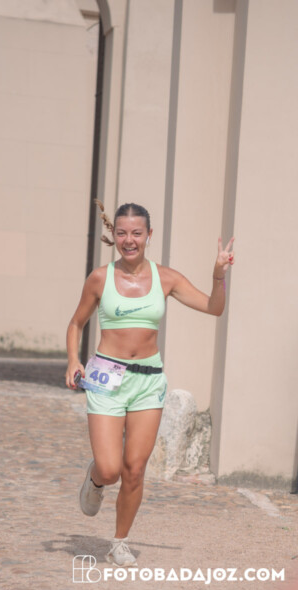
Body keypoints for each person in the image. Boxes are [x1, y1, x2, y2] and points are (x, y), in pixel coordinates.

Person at [65, 201, 234, 567]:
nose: (129, 240)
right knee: (110, 469)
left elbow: (214, 307)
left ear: (149, 235)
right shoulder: (100, 278)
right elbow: (76, 323)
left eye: (137, 233)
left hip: (148, 382)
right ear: (114, 235)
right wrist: (73, 360)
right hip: (107, 379)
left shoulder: (166, 278)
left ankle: (119, 542)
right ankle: (95, 480)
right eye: (122, 233)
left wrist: (218, 274)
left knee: (135, 470)